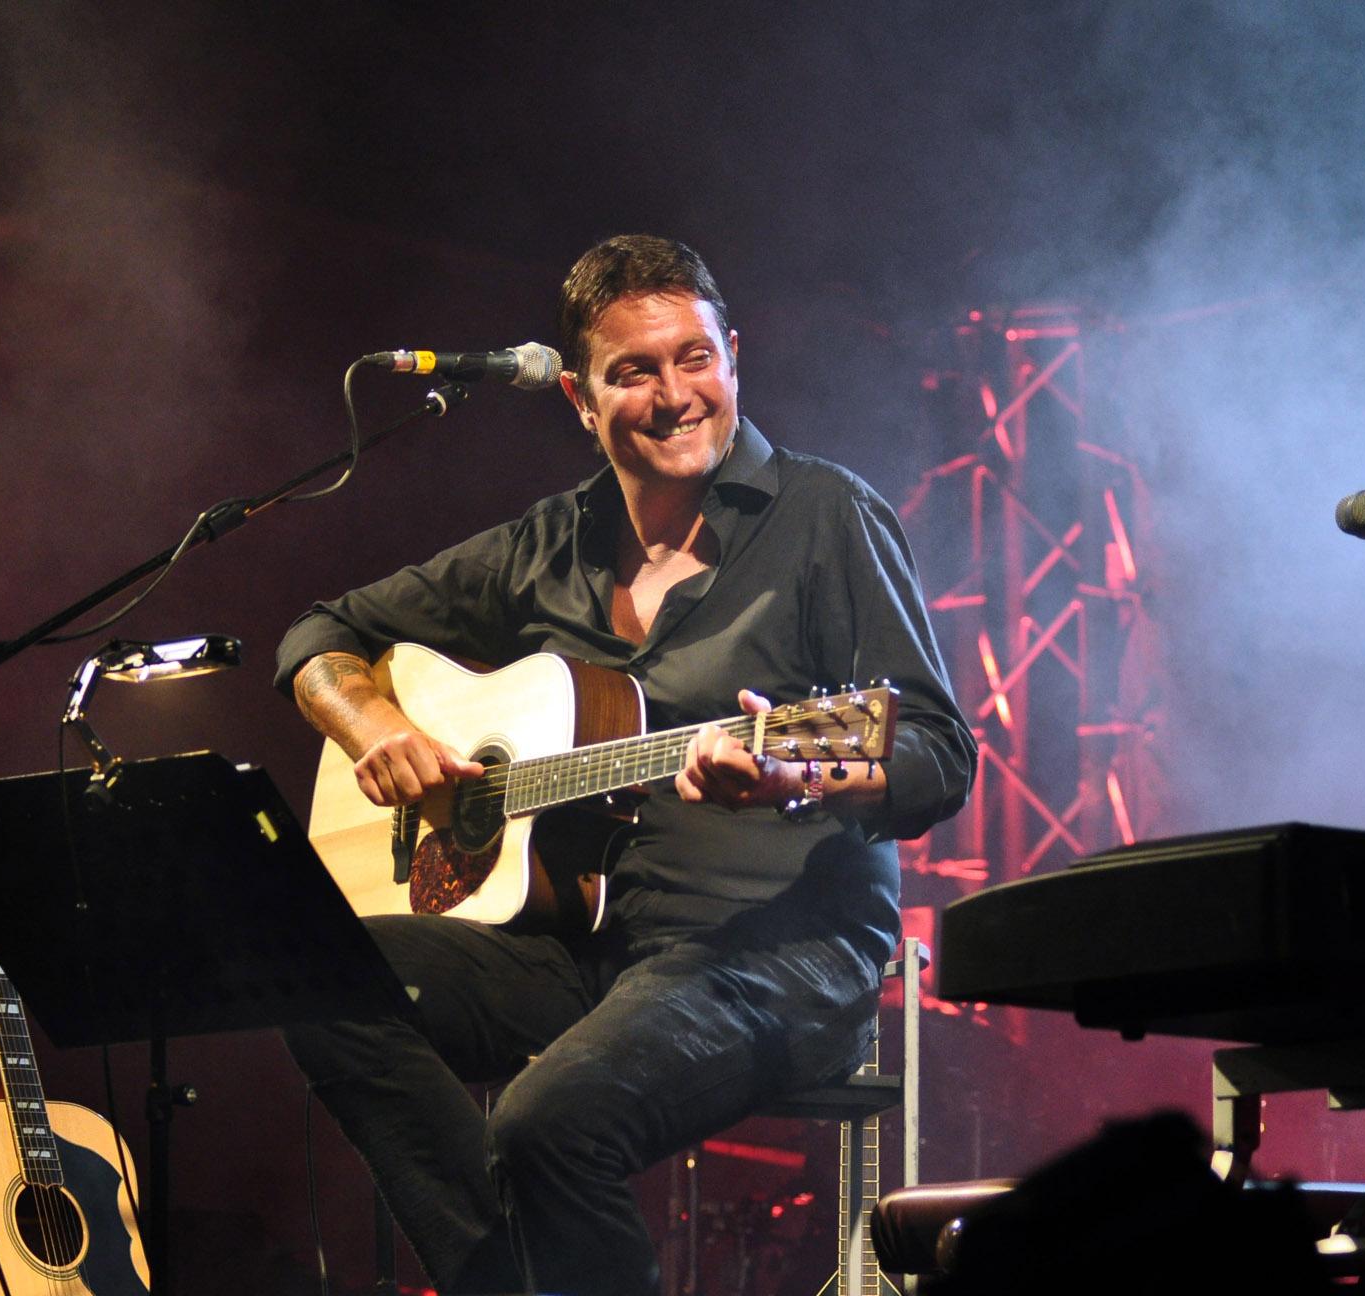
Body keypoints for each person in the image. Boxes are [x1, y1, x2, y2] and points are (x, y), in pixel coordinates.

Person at [274, 235, 976, 1296]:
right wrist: (371, 725)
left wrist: (797, 777)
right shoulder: (547, 546)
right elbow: (319, 635)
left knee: (546, 1123)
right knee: (327, 979)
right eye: (634, 371)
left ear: (734, 356)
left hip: (778, 949)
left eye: (695, 358)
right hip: (592, 950)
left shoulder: (825, 516)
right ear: (579, 397)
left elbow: (936, 751)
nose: (674, 394)